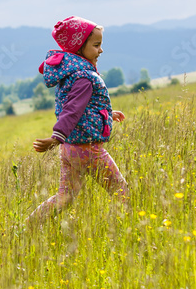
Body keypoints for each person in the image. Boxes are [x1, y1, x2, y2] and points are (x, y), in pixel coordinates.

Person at [25, 16, 128, 228]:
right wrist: (56, 138)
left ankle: (26, 227)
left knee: (65, 197)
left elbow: (82, 106)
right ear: (80, 47)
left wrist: (108, 113)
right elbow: (72, 111)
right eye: (96, 45)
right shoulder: (83, 77)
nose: (100, 50)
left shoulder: (72, 74)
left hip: (70, 148)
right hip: (87, 148)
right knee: (122, 192)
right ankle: (131, 229)